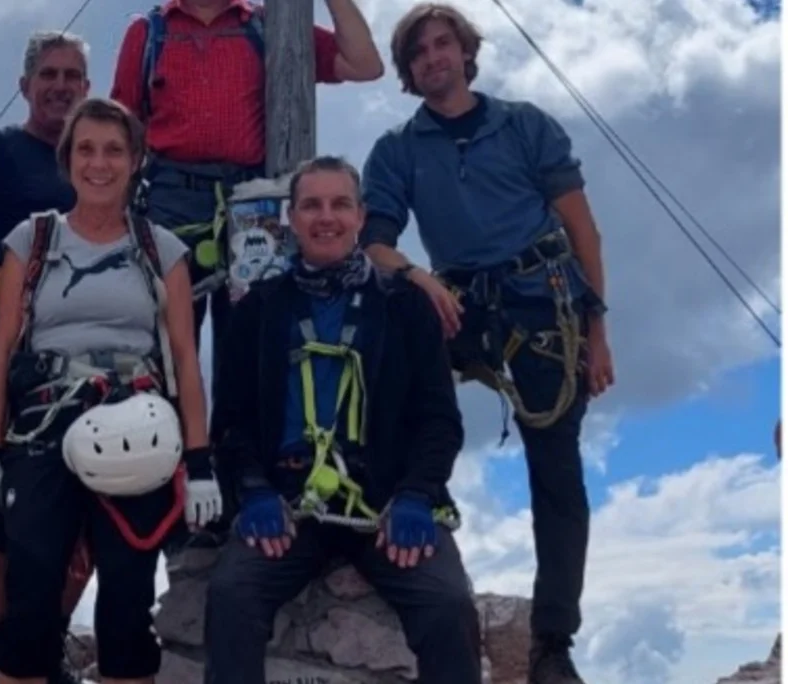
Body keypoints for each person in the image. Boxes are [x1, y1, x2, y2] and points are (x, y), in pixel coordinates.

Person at [359, 4, 615, 682]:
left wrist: (598, 330)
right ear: (410, 70)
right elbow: (373, 243)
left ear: (465, 52)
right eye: (420, 52)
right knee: (382, 356)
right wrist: (420, 278)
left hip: (543, 302)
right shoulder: (398, 149)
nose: (434, 58)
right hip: (460, 301)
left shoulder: (525, 125)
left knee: (556, 468)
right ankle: (380, 525)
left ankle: (551, 646)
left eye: (444, 44)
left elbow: (583, 230)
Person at [0, 97, 223, 684]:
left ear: (136, 161)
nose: (99, 164)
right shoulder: (34, 240)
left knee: (126, 610)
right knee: (28, 609)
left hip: (139, 428)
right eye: (85, 149)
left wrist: (199, 463)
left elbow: (183, 358)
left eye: (114, 150)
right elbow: (1, 351)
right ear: (67, 159)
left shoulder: (162, 249)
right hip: (44, 429)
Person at [203, 155, 480, 684]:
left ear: (360, 215)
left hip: (384, 500)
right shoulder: (258, 309)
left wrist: (419, 495)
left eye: (339, 204)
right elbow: (232, 420)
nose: (324, 217)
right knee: (232, 596)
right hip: (287, 498)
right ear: (290, 219)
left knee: (446, 605)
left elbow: (439, 418)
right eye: (311, 205)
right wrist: (253, 490)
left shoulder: (404, 305)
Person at [109, 0, 385, 391]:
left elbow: (364, 65)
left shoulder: (268, 23)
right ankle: (171, 446)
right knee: (161, 342)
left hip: (253, 204)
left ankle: (238, 447)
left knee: (252, 339)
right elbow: (121, 132)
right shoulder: (148, 32)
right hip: (172, 200)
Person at [0, 29, 91, 684]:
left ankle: (47, 636)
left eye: (73, 76)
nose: (61, 86)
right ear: (25, 87)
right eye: (49, 75)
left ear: (88, 89)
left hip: (97, 351)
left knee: (101, 492)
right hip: (14, 345)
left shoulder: (102, 156)